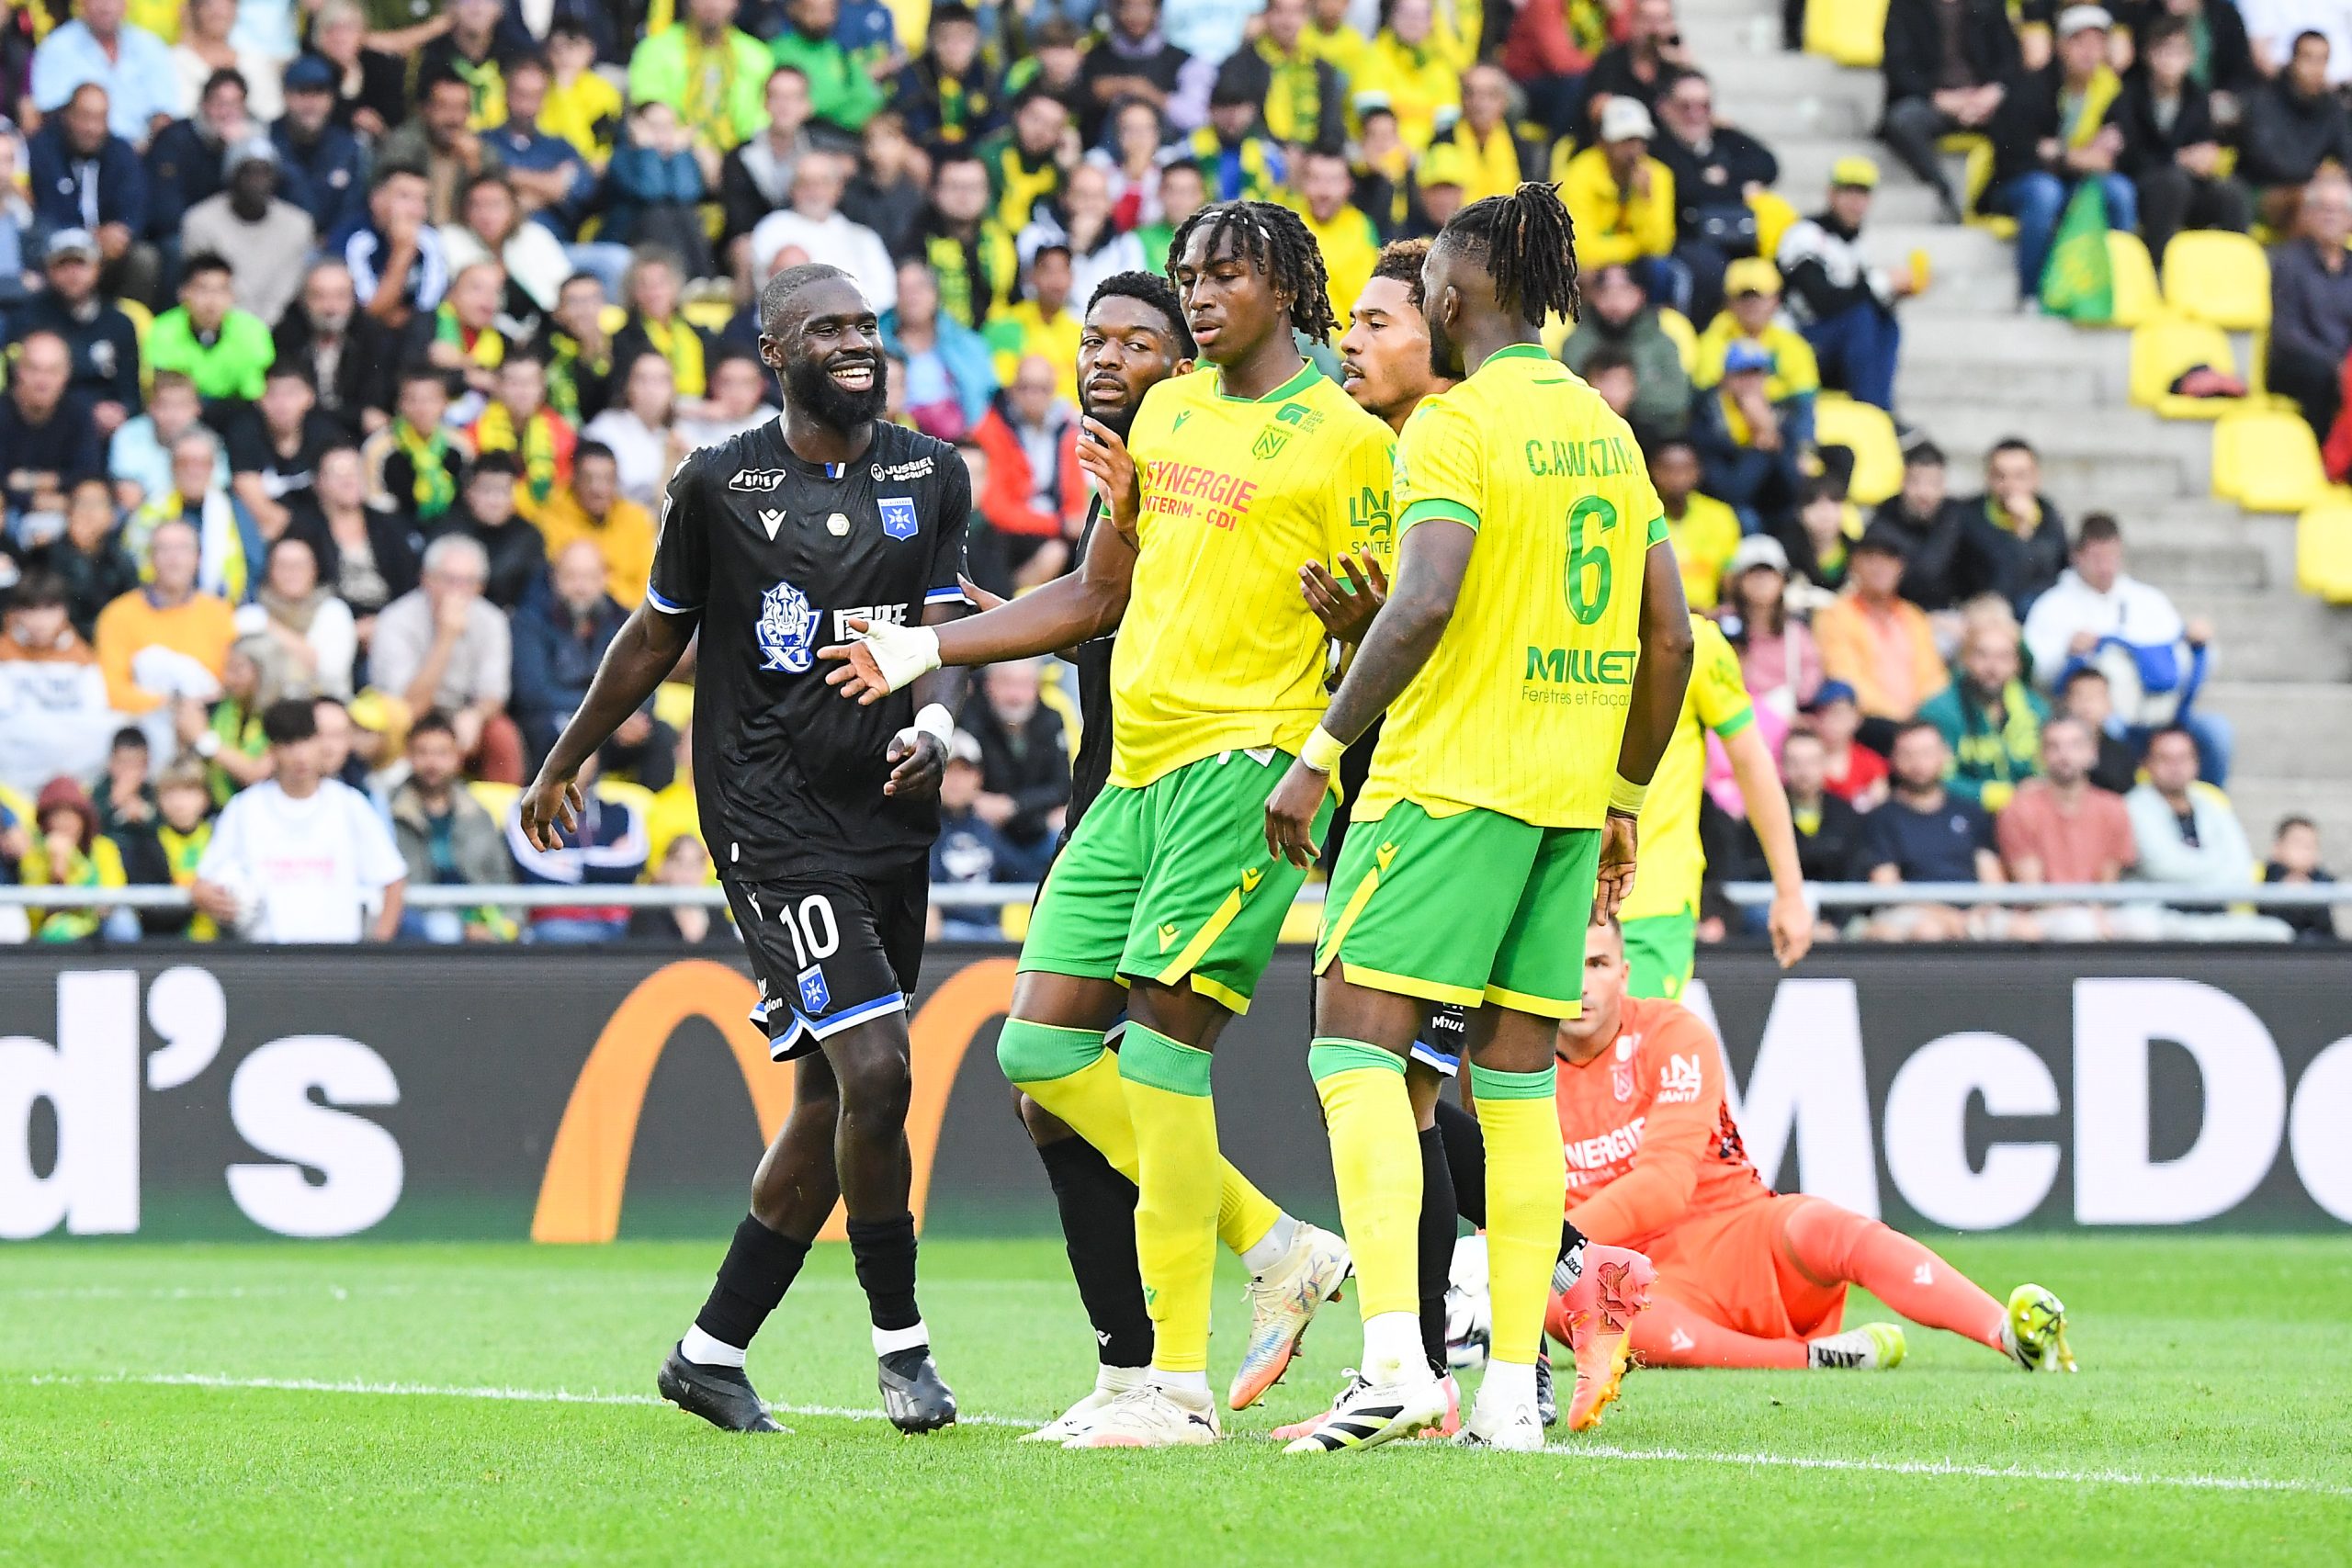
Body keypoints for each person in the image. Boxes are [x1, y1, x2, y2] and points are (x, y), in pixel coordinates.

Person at [823, 209, 1392, 1447]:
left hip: (1245, 769)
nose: (1199, 294)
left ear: (1287, 286)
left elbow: (1391, 624)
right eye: (1187, 275)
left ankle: (1173, 1389)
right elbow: (1096, 593)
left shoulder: (1347, 440)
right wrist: (918, 644)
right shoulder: (1169, 418)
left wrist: (1328, 718)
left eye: (1222, 274)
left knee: (1160, 1060)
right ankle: (1277, 1243)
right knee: (1037, 1051)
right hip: (1131, 776)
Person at [1251, 183, 1690, 1454]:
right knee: (1510, 1090)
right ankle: (1507, 1392)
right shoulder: (1605, 428)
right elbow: (1668, 631)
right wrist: (1618, 795)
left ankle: (1393, 1359)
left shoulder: (1449, 427)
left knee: (1353, 1053)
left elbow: (1428, 592)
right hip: (1564, 800)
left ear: (1451, 297)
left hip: (1446, 785)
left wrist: (1321, 749)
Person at [517, 262, 975, 1438]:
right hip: (766, 816)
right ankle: (903, 1350)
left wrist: (930, 726)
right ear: (776, 351)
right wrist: (568, 754)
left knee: (833, 1103)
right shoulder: (717, 482)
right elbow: (656, 629)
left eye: (870, 325)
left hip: (887, 805)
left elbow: (942, 629)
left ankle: (707, 1353)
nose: (858, 343)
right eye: (829, 329)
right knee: (877, 1074)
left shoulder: (931, 473)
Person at [1445, 919, 2075, 1372]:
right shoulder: (1506, 1059)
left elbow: (1665, 1187)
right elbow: (1498, 1185)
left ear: (1624, 972)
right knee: (1570, 1303)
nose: (1580, 984)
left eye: (1598, 964)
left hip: (1738, 1233)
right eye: (1563, 966)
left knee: (1827, 1223)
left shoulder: (1673, 1032)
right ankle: (1815, 1359)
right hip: (1630, 1275)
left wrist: (1525, 1246)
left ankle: (2007, 1332)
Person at [2020, 513, 2226, 778]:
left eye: (2112, 557)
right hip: (2096, 722)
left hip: (2160, 716)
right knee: (2110, 733)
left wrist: (2199, 643)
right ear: (2076, 556)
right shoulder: (2052, 606)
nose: (2105, 567)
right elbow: (2034, 672)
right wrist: (2066, 651)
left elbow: (2188, 665)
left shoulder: (2149, 600)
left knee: (2217, 732)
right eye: (2097, 558)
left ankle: (2205, 809)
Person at [191, 697, 404, 941]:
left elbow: (393, 880)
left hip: (336, 959)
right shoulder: (245, 808)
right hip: (268, 961)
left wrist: (376, 952)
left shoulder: (349, 805)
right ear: (272, 750)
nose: (300, 755)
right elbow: (203, 882)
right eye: (288, 744)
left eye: (306, 741)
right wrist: (206, 896)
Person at [369, 533, 523, 784]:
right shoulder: (396, 620)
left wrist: (476, 715)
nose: (459, 591)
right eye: (449, 580)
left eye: (468, 582)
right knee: (403, 730)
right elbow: (408, 706)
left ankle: (507, 817)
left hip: (464, 716)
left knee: (502, 734)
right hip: (411, 720)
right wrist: (446, 638)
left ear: (480, 587)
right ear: (427, 579)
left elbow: (494, 693)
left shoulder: (491, 620)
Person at [2111, 16, 2252, 262]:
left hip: (2190, 184)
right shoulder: (2130, 95)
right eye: (2163, 51)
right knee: (2172, 184)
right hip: (2144, 183)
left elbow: (2205, 143)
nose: (2170, 61)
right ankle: (2158, 267)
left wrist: (2207, 158)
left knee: (2233, 193)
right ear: (2148, 54)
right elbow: (2127, 154)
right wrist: (2177, 159)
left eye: (2178, 52)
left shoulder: (2197, 97)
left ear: (2190, 58)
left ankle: (2235, 268)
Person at [1777, 160, 1913, 412]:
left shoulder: (1855, 245)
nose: (1856, 203)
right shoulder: (1805, 235)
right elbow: (1821, 302)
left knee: (1886, 322)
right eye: (1848, 193)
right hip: (1798, 339)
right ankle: (1871, 407)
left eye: (1863, 194)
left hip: (1833, 343)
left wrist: (1896, 291)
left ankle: (1882, 407)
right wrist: (1882, 283)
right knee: (1860, 318)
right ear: (1831, 194)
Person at [1861, 719, 2008, 940]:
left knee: (2022, 930)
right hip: (1910, 912)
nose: (1918, 763)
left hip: (1975, 913)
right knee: (1928, 931)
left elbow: (1993, 880)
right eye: (1908, 754)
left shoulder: (1970, 811)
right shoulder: (1881, 818)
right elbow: (1887, 888)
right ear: (1893, 759)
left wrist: (1976, 914)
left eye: (1926, 753)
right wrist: (1947, 917)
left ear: (1945, 754)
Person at [1879, 0, 2019, 220]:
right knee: (1903, 120)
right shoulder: (1905, 5)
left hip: (1984, 103)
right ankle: (1943, 190)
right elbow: (1898, 67)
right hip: (1932, 102)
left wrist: (1992, 93)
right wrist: (1940, 98)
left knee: (2021, 118)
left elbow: (2010, 59)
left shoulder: (1989, 5)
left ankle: (1991, 201)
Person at [26, 85, 161, 308]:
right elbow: (46, 212)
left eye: (101, 118)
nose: (92, 128)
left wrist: (121, 233)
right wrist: (92, 237)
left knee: (145, 258)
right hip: (60, 250)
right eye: (85, 117)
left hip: (108, 253)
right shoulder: (42, 149)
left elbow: (135, 208)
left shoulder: (121, 151)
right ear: (67, 116)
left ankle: (129, 326)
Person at [386, 708, 512, 942]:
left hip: (478, 916)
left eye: (442, 753)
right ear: (408, 756)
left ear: (457, 757)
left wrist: (508, 925)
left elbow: (501, 876)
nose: (432, 763)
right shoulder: (388, 811)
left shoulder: (477, 813)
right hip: (416, 918)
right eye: (422, 752)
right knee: (444, 929)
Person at [92, 516, 237, 719]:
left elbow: (233, 683)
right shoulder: (118, 615)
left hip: (209, 719)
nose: (173, 558)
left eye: (183, 549)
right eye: (164, 549)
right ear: (150, 558)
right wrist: (172, 705)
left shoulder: (220, 613)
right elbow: (111, 690)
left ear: (198, 558)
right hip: (141, 726)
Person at [1815, 526, 1951, 742]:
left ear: (1900, 567)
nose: (1880, 567)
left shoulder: (1914, 616)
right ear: (1854, 565)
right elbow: (1846, 677)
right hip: (1870, 725)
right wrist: (1900, 720)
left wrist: (1920, 717)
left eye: (1889, 558)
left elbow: (1934, 677)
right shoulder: (1835, 615)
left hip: (1917, 725)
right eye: (1870, 558)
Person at [9, 230, 143, 433]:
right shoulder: (26, 320)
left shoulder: (120, 323)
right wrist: (87, 412)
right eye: (62, 264)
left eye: (81, 263)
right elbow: (18, 389)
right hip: (46, 426)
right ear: (49, 270)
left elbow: (131, 394)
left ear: (98, 268)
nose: (73, 273)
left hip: (109, 430)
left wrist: (121, 412)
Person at [511, 538, 629, 766]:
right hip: (554, 719)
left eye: (589, 577)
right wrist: (605, 715)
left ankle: (660, 801)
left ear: (604, 578)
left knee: (659, 735)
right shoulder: (529, 621)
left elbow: (647, 675)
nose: (581, 587)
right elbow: (535, 694)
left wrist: (631, 717)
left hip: (610, 726)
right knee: (560, 735)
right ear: (554, 578)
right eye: (571, 577)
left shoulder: (622, 620)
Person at [284, 445, 422, 638]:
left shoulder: (389, 525)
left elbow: (409, 582)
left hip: (392, 622)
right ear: (318, 482)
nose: (349, 480)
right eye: (338, 474)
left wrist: (384, 624)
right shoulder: (304, 531)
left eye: (355, 471)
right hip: (332, 629)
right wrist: (352, 630)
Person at [0, 572, 119, 797]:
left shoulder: (81, 656)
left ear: (63, 611)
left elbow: (95, 713)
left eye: (49, 610)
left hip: (70, 763)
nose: (39, 621)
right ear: (16, 613)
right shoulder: (4, 653)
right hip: (17, 762)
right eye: (30, 610)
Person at [181, 138, 314, 330]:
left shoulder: (298, 225)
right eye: (249, 173)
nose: (257, 182)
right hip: (219, 324)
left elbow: (287, 289)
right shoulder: (200, 221)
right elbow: (203, 286)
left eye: (264, 173)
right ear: (231, 177)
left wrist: (260, 330)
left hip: (279, 325)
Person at [1557, 98, 1679, 307]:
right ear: (1603, 141)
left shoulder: (1658, 176)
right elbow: (1582, 249)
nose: (1633, 149)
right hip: (1594, 268)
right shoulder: (1580, 174)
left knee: (1662, 270)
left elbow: (1659, 245)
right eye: (1624, 141)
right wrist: (1633, 248)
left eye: (1638, 140)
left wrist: (1644, 200)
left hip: (1636, 265)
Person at [1921, 612, 2048, 809]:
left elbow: (2048, 768)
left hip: (2027, 813)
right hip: (1964, 814)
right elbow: (1936, 777)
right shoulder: (1938, 711)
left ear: (2017, 664)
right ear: (1965, 659)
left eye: (2003, 657)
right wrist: (1997, 796)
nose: (1993, 667)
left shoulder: (2036, 708)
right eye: (1982, 655)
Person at [1559, 264, 1691, 438]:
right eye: (1606, 292)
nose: (1615, 302)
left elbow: (1676, 398)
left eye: (1623, 291)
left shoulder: (1661, 341)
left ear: (1640, 294)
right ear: (1594, 296)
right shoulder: (1577, 340)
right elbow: (1568, 396)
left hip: (1649, 434)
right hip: (1588, 432)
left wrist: (1624, 398)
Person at [750, 153, 899, 307]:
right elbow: (770, 289)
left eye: (823, 182)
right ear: (792, 188)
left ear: (838, 188)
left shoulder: (863, 237)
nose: (814, 191)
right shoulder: (773, 228)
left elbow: (886, 293)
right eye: (805, 183)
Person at [2267, 173, 2352, 441]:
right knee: (2320, 378)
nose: (2331, 216)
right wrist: (2334, 364)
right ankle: (2321, 460)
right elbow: (2287, 333)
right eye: (2323, 208)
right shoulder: (2288, 262)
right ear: (2309, 215)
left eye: (2339, 210)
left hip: (2343, 363)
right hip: (2297, 363)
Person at [2238, 29, 2352, 226]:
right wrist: (2317, 177)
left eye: (2322, 60)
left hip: (2312, 188)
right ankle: (2302, 257)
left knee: (2331, 199)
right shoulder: (2263, 100)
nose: (2315, 67)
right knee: (2309, 202)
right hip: (2263, 192)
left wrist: (2336, 175)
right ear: (2292, 60)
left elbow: (2347, 154)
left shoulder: (2332, 107)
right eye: (2308, 58)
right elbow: (2265, 160)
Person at [29, 0, 179, 148]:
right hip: (81, 156)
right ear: (80, 3)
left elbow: (164, 114)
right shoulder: (56, 49)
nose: (105, 5)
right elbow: (51, 117)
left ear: (127, 4)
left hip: (145, 156)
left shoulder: (150, 46)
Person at [274, 261, 394, 439]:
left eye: (341, 296)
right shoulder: (285, 337)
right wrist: (356, 417)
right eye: (319, 296)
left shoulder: (374, 338)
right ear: (303, 300)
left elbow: (376, 403)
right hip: (302, 436)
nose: (330, 307)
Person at [142, 251, 275, 405]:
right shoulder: (162, 331)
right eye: (202, 289)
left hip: (235, 411)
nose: (212, 301)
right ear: (183, 293)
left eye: (221, 290)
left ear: (233, 295)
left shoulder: (253, 331)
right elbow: (165, 390)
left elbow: (255, 394)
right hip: (181, 412)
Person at [532, 441, 654, 609]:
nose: (598, 489)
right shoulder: (552, 517)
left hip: (629, 620)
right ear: (573, 478)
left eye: (607, 479)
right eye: (588, 478)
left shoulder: (636, 518)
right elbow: (568, 584)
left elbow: (647, 585)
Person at [237, 535, 357, 701]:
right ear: (270, 570)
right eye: (283, 565)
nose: (291, 572)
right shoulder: (251, 613)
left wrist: (269, 626)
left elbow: (330, 671)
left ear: (314, 570)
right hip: (265, 708)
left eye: (299, 565)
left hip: (322, 705)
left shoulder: (333, 610)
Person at [1, 332, 104, 519]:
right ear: (18, 371)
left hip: (66, 512)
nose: (42, 381)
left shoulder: (78, 413)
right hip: (8, 514)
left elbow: (87, 473)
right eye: (33, 369)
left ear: (66, 374)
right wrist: (33, 501)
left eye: (52, 371)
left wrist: (33, 481)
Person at [1724, 534, 1823, 719]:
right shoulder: (1721, 624)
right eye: (1753, 574)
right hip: (1731, 719)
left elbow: (1810, 680)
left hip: (1783, 722)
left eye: (1769, 573)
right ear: (1738, 581)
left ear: (1783, 580)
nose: (1761, 581)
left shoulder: (1796, 633)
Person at [273, 55, 368, 243]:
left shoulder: (347, 147)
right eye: (302, 92)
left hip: (333, 251)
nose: (311, 103)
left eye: (319, 93)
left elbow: (352, 212)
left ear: (331, 99)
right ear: (285, 95)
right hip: (278, 246)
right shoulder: (266, 143)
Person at [1966, 438, 2069, 613]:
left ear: (2036, 478)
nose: (2010, 486)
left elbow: (2051, 577)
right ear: (1987, 477)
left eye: (2020, 476)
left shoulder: (2049, 517)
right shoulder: (1970, 517)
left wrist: (2024, 532)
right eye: (2000, 476)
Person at [1870, 440, 1972, 611]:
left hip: (1952, 613)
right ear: (1902, 481)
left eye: (1933, 483)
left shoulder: (1955, 514)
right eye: (1915, 482)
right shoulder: (1883, 520)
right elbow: (1924, 574)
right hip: (1895, 613)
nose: (1924, 493)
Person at [345, 164, 449, 332]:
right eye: (405, 197)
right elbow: (370, 312)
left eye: (423, 200)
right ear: (377, 199)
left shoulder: (430, 239)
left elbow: (428, 307)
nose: (416, 211)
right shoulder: (355, 239)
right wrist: (403, 252)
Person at [582, 350, 687, 510]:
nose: (651, 389)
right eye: (642, 379)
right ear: (628, 386)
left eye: (661, 381)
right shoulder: (605, 428)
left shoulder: (677, 436)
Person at [1651, 436, 1739, 611]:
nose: (1677, 477)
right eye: (1668, 469)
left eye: (1684, 469)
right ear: (1652, 471)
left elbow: (1730, 578)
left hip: (1709, 618)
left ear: (1698, 471)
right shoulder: (1644, 515)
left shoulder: (1720, 516)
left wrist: (1724, 610)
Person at [2264, 815, 2339, 942]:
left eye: (2311, 845)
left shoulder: (2322, 880)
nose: (2305, 850)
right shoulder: (2266, 877)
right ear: (2277, 848)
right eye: (2298, 843)